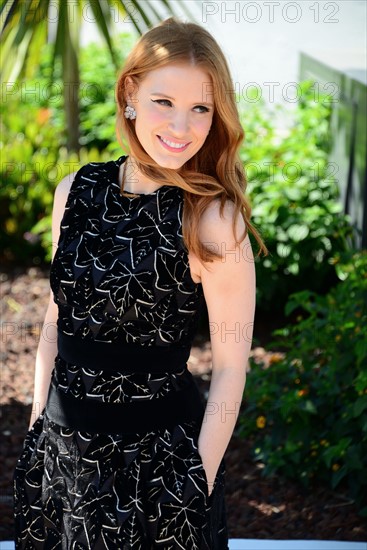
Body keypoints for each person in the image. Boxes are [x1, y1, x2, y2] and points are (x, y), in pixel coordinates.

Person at [13, 16, 267, 550]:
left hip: (158, 476)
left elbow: (229, 370)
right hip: (62, 459)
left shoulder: (213, 217)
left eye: (201, 108)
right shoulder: (76, 191)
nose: (181, 127)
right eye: (164, 102)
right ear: (130, 93)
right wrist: (37, 435)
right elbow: (55, 328)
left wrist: (194, 485)